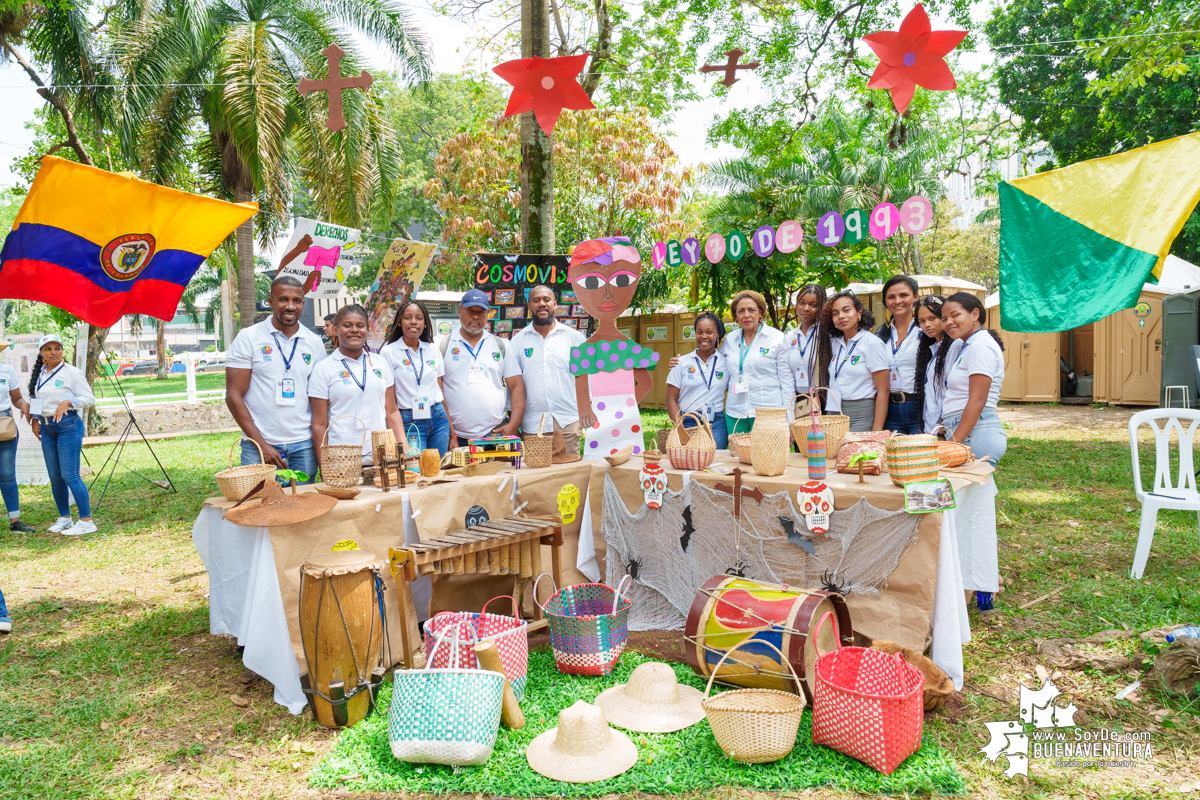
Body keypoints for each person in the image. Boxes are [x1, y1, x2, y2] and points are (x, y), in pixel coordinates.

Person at [226, 276, 326, 481]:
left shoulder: (314, 342)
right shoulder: (249, 338)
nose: (290, 306)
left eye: (296, 301)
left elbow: (321, 398)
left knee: (304, 508)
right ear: (271, 302)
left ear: (303, 304)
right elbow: (233, 396)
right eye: (283, 299)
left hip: (304, 445)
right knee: (260, 508)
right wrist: (262, 444)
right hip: (258, 445)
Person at [568, 237, 659, 458]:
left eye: (621, 281)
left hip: (627, 419)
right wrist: (585, 409)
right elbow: (580, 380)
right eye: (592, 283)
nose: (607, 294)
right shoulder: (585, 350)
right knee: (597, 462)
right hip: (598, 416)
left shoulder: (629, 348)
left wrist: (628, 407)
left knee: (630, 461)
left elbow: (647, 382)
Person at [310, 304, 404, 468]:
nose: (354, 330)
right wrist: (324, 466)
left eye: (360, 326)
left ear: (366, 329)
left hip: (381, 454)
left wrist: (402, 450)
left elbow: (392, 411)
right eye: (347, 325)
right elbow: (319, 423)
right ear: (336, 328)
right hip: (342, 457)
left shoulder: (380, 363)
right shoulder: (323, 368)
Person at [440, 289, 526, 447]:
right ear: (460, 311)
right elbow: (438, 393)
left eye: (481, 312)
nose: (475, 316)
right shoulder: (443, 345)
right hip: (457, 438)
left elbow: (517, 386)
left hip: (496, 433)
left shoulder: (501, 345)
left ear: (488, 314)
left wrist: (513, 425)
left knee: (503, 472)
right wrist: (451, 433)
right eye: (470, 310)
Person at [28, 334, 96, 535]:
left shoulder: (72, 372)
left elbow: (88, 398)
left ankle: (86, 521)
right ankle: (65, 518)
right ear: (42, 353)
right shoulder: (40, 374)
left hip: (68, 426)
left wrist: (68, 402)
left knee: (70, 474)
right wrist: (34, 419)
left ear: (62, 351)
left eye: (57, 348)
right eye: (48, 349)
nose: (53, 352)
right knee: (55, 477)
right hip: (47, 428)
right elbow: (36, 397)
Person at [512, 284, 585, 457]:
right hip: (532, 425)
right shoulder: (517, 342)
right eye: (536, 301)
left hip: (568, 421)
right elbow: (514, 387)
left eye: (547, 299)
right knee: (536, 480)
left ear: (555, 304)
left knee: (569, 478)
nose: (542, 304)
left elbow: (585, 380)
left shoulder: (575, 338)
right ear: (529, 306)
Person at [940, 292, 1007, 464]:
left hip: (976, 431)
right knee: (973, 491)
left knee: (968, 489)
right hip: (967, 428)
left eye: (955, 315)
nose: (949, 322)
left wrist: (954, 444)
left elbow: (978, 399)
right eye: (944, 318)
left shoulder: (980, 346)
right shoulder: (966, 345)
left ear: (975, 314)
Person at [382, 299, 451, 456]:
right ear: (400, 322)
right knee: (414, 469)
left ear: (425, 323)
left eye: (419, 318)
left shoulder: (433, 349)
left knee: (437, 468)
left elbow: (440, 389)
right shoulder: (389, 352)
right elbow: (389, 399)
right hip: (408, 419)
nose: (414, 322)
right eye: (408, 317)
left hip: (438, 417)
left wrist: (452, 431)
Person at [718, 290, 789, 435]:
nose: (746, 315)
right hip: (736, 412)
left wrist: (789, 419)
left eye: (752, 310)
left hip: (768, 411)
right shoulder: (730, 340)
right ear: (735, 316)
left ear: (760, 312)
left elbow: (787, 381)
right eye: (741, 311)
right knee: (738, 456)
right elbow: (717, 368)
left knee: (768, 456)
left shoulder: (777, 338)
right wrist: (681, 362)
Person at [817, 292, 889, 432]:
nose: (841, 316)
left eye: (846, 310)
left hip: (861, 413)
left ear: (859, 312)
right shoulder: (835, 344)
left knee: (855, 452)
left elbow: (883, 391)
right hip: (834, 411)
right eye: (835, 313)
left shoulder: (872, 343)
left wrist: (877, 430)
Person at [666, 312, 731, 449]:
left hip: (717, 423)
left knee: (715, 464)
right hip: (688, 420)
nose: (704, 336)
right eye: (699, 332)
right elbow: (671, 399)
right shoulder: (681, 363)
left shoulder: (726, 363)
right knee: (690, 463)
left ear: (718, 334)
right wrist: (679, 428)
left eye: (709, 332)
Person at [875, 275, 923, 434]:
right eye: (891, 297)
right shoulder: (880, 334)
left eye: (904, 295)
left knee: (920, 457)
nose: (897, 301)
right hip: (889, 409)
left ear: (916, 297)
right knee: (892, 457)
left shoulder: (925, 330)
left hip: (919, 408)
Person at [0, 341, 32, 532]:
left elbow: (16, 398)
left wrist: (24, 405)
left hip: (5, 426)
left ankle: (15, 522)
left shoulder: (7, 371)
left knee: (6, 475)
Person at [913, 295, 950, 435]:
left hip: (945, 429)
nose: (927, 325)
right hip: (930, 427)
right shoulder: (932, 348)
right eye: (922, 321)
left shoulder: (954, 347)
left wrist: (941, 429)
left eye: (932, 318)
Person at [785, 284, 826, 410]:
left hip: (823, 399)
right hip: (798, 400)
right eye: (802, 303)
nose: (806, 308)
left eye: (813, 305)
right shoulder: (790, 337)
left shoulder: (827, 334)